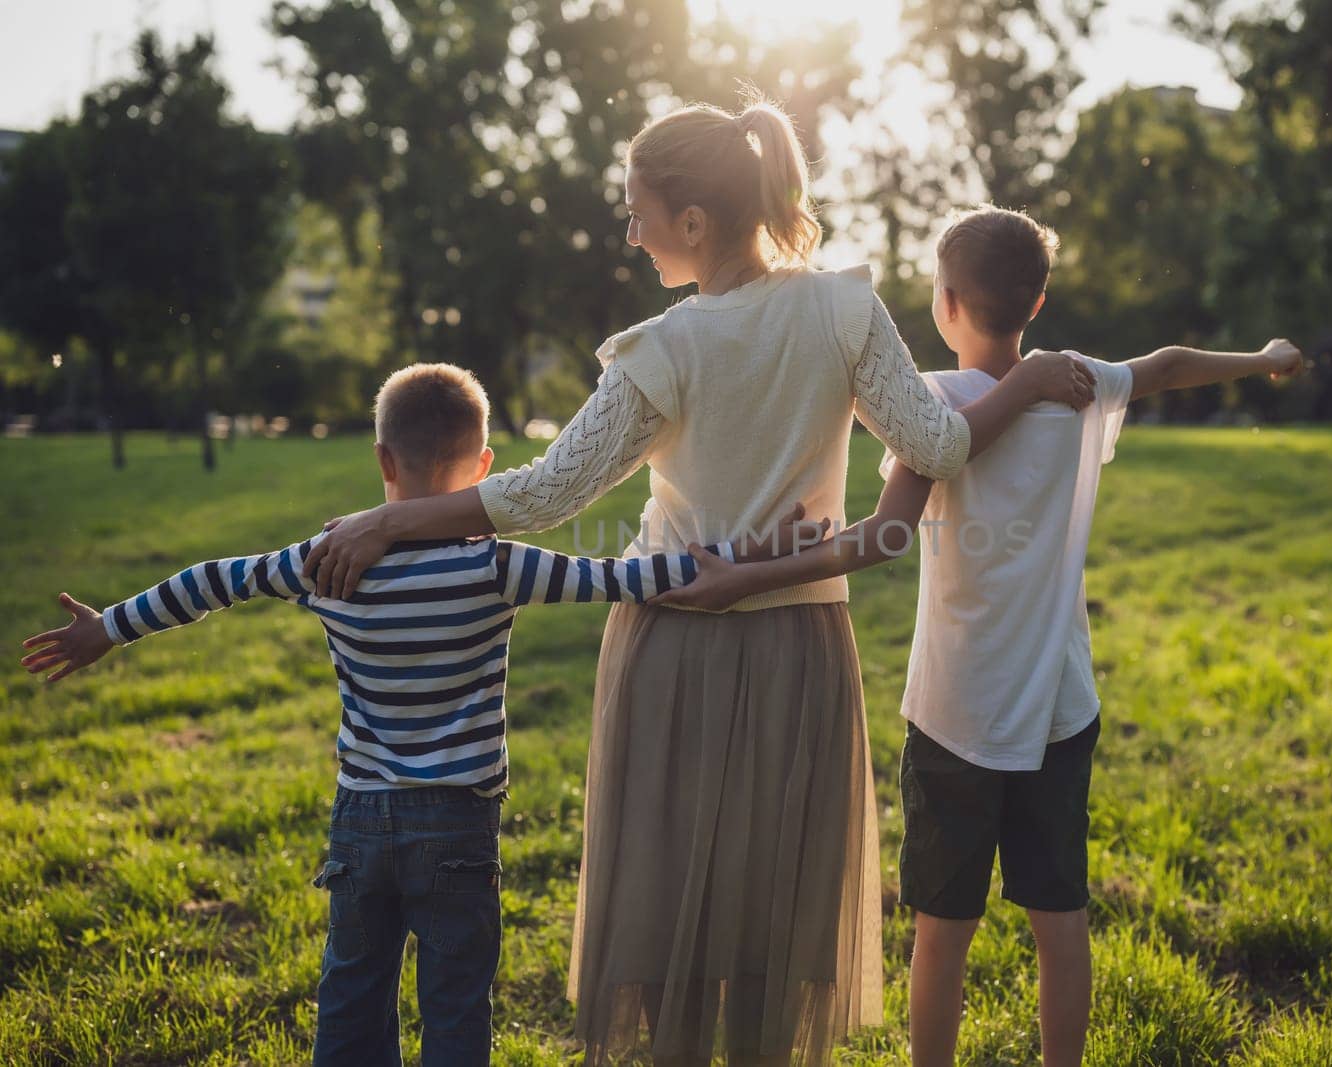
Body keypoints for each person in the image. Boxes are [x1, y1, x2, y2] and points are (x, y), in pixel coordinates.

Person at [299, 103, 1097, 1064]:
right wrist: (1032, 377)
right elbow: (939, 443)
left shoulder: (665, 347)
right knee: (773, 910)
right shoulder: (845, 307)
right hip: (802, 645)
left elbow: (548, 491)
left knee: (671, 907)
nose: (632, 236)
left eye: (638, 214)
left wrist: (392, 515)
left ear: (692, 222)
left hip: (671, 641)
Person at [652, 206, 1306, 1066]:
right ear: (1035, 304)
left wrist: (743, 575)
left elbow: (883, 536)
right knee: (1059, 915)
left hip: (956, 715)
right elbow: (1169, 364)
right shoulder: (1075, 381)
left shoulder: (932, 401)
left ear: (946, 301)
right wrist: (1261, 360)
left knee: (941, 931)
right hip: (1059, 712)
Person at [17, 363, 783, 1067]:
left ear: (382, 459)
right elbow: (623, 579)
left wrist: (107, 628)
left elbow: (211, 581)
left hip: (361, 820)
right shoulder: (496, 564)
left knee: (350, 998)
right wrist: (730, 558)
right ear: (483, 469)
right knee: (454, 1007)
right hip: (457, 822)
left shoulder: (324, 562)